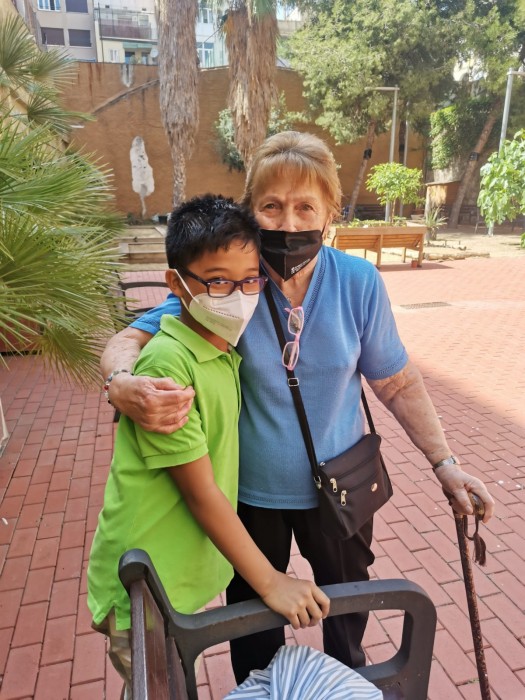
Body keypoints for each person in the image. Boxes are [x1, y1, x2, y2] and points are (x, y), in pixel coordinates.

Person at [101, 132, 495, 684]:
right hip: (249, 495)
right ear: (251, 211)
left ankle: (344, 689)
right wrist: (120, 383)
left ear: (331, 213)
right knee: (254, 635)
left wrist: (445, 464)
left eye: (305, 207)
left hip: (341, 491)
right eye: (272, 206)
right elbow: (130, 339)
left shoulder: (357, 283)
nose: (288, 223)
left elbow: (397, 382)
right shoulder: (230, 282)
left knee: (348, 625)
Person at [88, 194, 330, 696]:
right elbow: (200, 494)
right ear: (176, 284)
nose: (237, 296)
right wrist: (271, 581)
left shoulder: (220, 350)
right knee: (159, 687)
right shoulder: (168, 366)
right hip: (144, 586)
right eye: (217, 281)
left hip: (172, 577)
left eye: (249, 280)